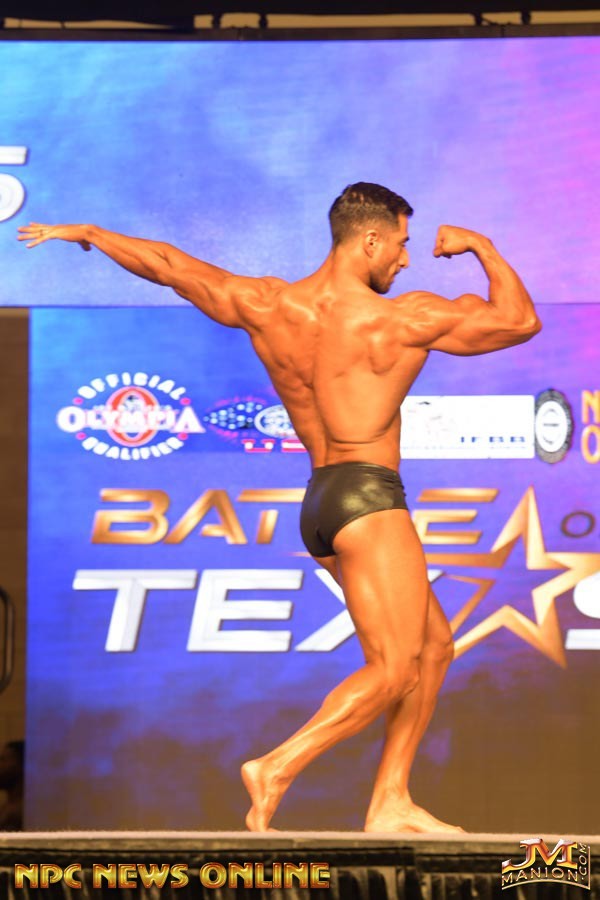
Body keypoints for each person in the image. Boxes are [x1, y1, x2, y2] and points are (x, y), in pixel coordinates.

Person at [18, 183, 541, 833]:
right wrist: (481, 247)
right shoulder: (400, 319)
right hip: (371, 499)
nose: (406, 259)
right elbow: (519, 321)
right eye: (401, 244)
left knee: (433, 648)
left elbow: (172, 266)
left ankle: (391, 800)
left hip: (322, 502)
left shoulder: (268, 304)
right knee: (394, 668)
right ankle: (278, 765)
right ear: (370, 240)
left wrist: (93, 234)